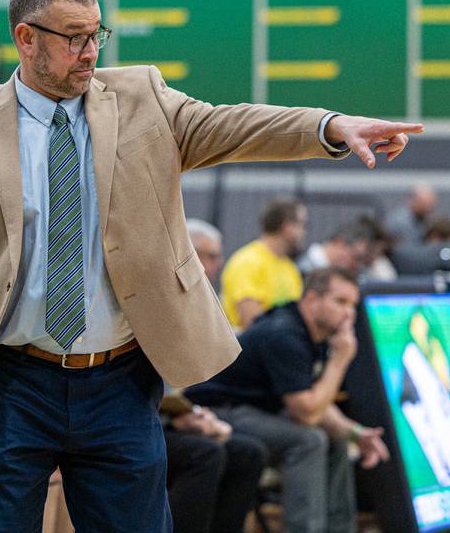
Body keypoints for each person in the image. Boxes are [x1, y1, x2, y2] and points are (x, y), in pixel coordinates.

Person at [0, 0, 421, 532]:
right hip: (10, 381)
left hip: (119, 380)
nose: (89, 51)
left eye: (96, 34)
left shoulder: (142, 97)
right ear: (26, 38)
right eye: (73, 38)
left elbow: (236, 125)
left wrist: (329, 127)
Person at [186, 268, 390, 533]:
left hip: (256, 410)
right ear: (312, 299)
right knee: (308, 440)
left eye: (353, 304)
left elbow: (315, 401)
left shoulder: (314, 334)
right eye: (340, 302)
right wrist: (340, 360)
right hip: (215, 410)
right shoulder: (285, 334)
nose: (349, 313)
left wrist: (356, 434)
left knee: (335, 438)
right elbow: (307, 412)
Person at [165, 219, 265, 533]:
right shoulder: (161, 300)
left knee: (248, 452)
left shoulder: (205, 306)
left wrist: (196, 416)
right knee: (206, 454)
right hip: (144, 414)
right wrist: (181, 417)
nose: (209, 266)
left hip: (182, 410)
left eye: (214, 257)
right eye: (201, 255)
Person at [221, 197, 307, 330]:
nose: (304, 232)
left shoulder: (290, 268)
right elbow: (251, 322)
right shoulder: (248, 262)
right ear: (287, 226)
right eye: (301, 224)